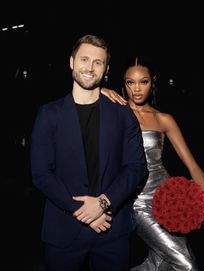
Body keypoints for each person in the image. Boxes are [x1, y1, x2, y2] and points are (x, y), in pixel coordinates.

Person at [30, 35, 148, 271]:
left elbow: (136, 168)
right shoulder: (49, 114)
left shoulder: (122, 114)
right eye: (84, 59)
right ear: (72, 62)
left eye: (98, 62)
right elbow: (42, 174)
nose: (90, 67)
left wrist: (104, 203)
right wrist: (83, 210)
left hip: (112, 232)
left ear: (106, 69)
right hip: (63, 233)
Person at [102, 56, 204, 270]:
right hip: (136, 201)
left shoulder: (164, 119)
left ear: (152, 82)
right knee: (187, 265)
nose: (136, 89)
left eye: (143, 82)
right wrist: (97, 91)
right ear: (123, 83)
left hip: (168, 199)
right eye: (130, 82)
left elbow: (191, 165)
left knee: (158, 262)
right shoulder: (115, 112)